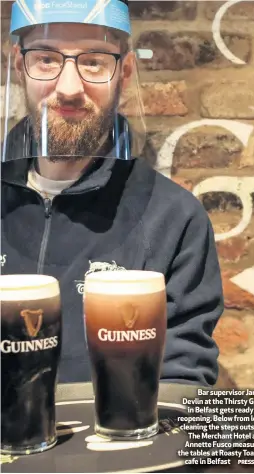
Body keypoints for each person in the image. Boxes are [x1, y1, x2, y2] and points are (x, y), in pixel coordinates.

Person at [1, 0, 224, 386]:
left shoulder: (174, 219)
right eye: (46, 60)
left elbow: (183, 386)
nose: (69, 88)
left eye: (94, 62)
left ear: (125, 73)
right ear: (19, 65)